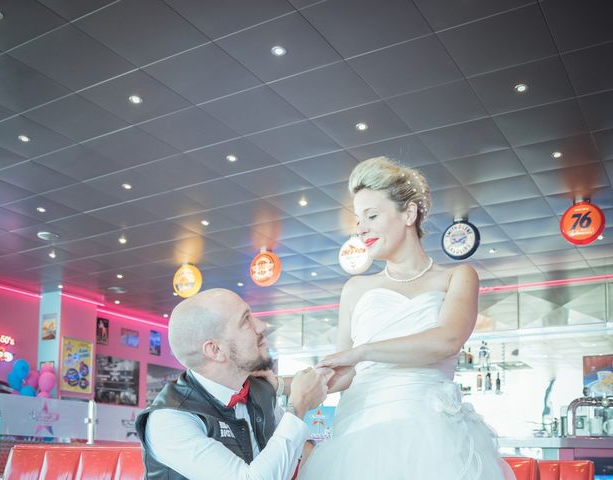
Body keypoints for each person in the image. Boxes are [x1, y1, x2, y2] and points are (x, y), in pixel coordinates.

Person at [299, 157, 515, 480]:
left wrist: (364, 351)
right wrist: (291, 384)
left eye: (371, 216)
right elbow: (345, 373)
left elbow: (446, 340)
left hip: (435, 439)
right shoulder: (355, 288)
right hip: (360, 439)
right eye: (358, 219)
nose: (361, 229)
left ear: (409, 214)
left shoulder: (457, 277)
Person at [136, 288, 330, 480]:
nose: (262, 326)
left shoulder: (259, 391)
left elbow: (298, 451)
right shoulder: (170, 418)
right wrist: (298, 406)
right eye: (246, 320)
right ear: (215, 350)